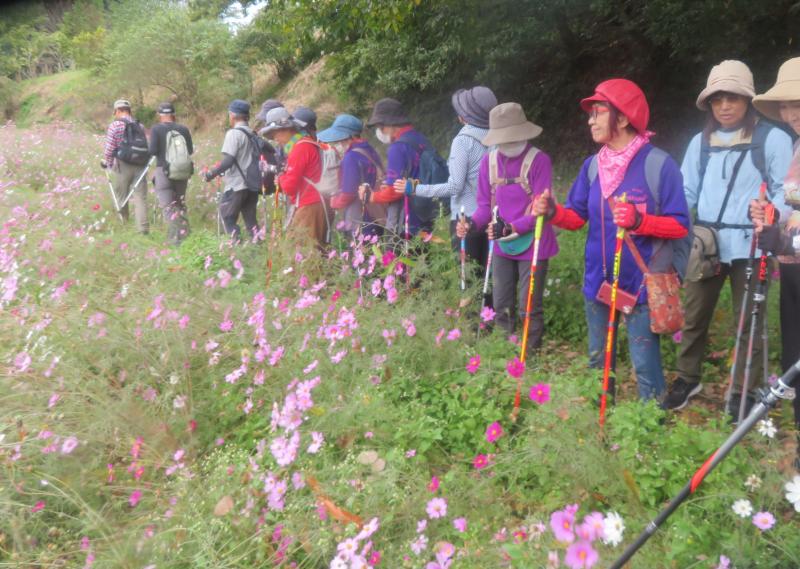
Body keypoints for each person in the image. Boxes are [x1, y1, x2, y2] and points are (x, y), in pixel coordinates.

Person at [533, 79, 690, 401]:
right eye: (590, 114)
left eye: (598, 112)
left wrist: (640, 221)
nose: (590, 120)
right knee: (598, 359)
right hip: (598, 282)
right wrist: (551, 211)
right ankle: (601, 424)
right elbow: (576, 218)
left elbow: (680, 226)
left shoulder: (658, 165)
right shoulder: (592, 167)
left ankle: (649, 430)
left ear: (623, 117)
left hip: (642, 285)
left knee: (644, 364)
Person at [662, 61, 793, 418]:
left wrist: (770, 214)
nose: (724, 105)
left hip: (753, 245)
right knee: (693, 314)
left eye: (732, 97)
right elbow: (686, 191)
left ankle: (742, 391)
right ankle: (688, 378)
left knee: (748, 319)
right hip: (705, 243)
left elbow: (787, 190)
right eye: (717, 98)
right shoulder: (699, 142)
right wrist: (670, 228)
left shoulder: (772, 138)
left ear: (748, 99)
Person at [456, 102, 558, 354]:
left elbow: (540, 210)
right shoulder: (488, 162)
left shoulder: (539, 161)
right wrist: (471, 224)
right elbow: (483, 207)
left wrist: (510, 227)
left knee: (529, 306)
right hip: (502, 245)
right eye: (502, 139)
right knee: (501, 304)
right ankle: (504, 357)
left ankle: (529, 359)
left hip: (534, 242)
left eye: (513, 137)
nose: (508, 143)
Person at [750, 57, 800, 467]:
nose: (791, 113)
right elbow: (793, 209)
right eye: (785, 105)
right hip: (793, 270)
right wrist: (770, 217)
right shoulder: (799, 148)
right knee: (794, 357)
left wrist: (784, 237)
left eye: (798, 103)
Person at [395, 86, 496, 267]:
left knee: (469, 283)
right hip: (494, 218)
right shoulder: (499, 138)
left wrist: (415, 188)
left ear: (465, 116)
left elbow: (454, 186)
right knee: (490, 282)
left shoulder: (463, 141)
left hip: (465, 221)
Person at [362, 98, 438, 236]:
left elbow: (394, 191)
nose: (380, 131)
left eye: (381, 127)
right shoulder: (420, 138)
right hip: (426, 210)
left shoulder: (397, 148)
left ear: (391, 123)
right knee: (423, 254)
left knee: (398, 255)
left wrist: (373, 197)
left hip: (407, 217)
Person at [261, 106, 326, 247]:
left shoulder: (300, 148)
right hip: (315, 203)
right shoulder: (307, 142)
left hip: (309, 205)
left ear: (287, 129)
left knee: (303, 254)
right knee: (311, 252)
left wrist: (281, 178)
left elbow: (289, 187)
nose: (275, 139)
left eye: (275, 133)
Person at [202, 99, 263, 242]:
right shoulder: (253, 133)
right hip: (252, 185)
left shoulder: (233, 134)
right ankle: (258, 249)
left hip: (237, 185)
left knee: (228, 217)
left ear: (233, 115)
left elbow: (228, 161)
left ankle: (236, 248)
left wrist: (211, 174)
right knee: (251, 222)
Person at [317, 113, 384, 237]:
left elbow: (348, 193)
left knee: (361, 252)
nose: (338, 143)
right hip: (376, 212)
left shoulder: (351, 157)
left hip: (360, 216)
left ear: (349, 137)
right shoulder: (369, 149)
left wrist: (335, 202)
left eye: (340, 139)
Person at [148, 102, 194, 245]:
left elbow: (153, 151)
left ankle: (175, 240)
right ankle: (186, 234)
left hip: (164, 171)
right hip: (182, 172)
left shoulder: (156, 129)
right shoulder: (183, 129)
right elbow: (190, 151)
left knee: (168, 206)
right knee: (180, 204)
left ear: (160, 115)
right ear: (174, 115)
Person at [101, 99, 150, 234]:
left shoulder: (115, 125)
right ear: (129, 111)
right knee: (140, 198)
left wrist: (109, 164)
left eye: (115, 112)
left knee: (121, 196)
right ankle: (143, 230)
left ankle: (125, 226)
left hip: (123, 165)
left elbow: (110, 149)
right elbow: (147, 145)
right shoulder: (140, 126)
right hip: (140, 165)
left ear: (118, 111)